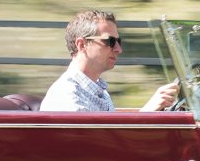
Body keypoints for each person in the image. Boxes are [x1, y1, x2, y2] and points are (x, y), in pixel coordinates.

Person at [40, 9, 181, 112]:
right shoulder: (68, 97)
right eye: (110, 41)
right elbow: (101, 147)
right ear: (82, 45)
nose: (119, 49)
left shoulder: (98, 91)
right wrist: (146, 113)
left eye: (118, 41)